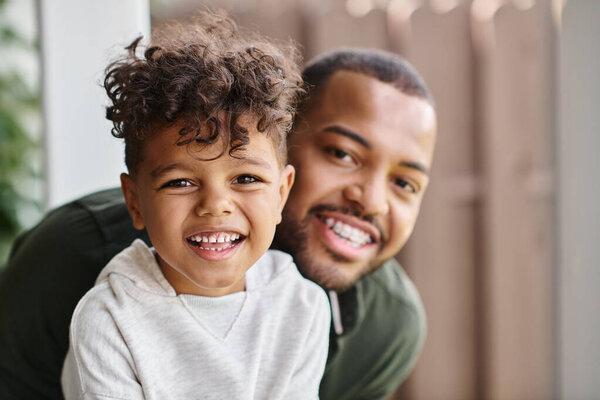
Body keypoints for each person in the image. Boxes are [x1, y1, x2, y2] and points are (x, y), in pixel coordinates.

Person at [0, 44, 436, 400]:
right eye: (341, 153)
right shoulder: (77, 266)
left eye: (405, 182)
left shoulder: (384, 327)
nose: (372, 201)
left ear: (280, 183)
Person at [57, 12, 330, 400]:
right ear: (134, 201)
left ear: (282, 194)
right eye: (180, 182)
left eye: (246, 178)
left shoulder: (302, 308)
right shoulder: (109, 318)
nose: (215, 205)